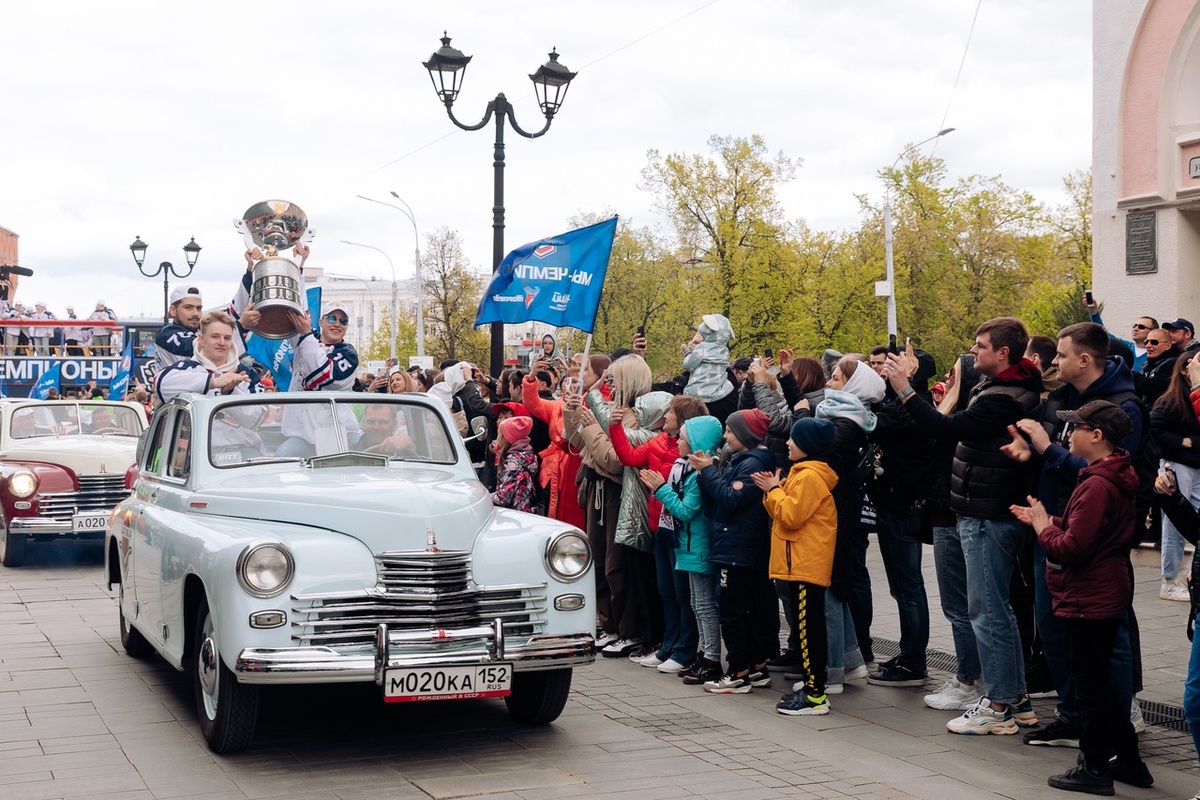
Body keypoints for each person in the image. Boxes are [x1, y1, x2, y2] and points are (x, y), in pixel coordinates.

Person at [882, 317, 1042, 735]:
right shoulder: (995, 389)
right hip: (977, 510)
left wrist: (904, 387)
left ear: (1003, 352)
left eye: (980, 345)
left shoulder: (1005, 397)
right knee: (987, 609)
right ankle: (1016, 699)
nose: (973, 352)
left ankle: (1000, 703)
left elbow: (945, 428)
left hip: (988, 514)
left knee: (988, 611)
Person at [1003, 322, 1147, 748]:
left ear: (1084, 359)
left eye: (1061, 355)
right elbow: (1057, 458)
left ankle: (1115, 728)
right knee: (1053, 628)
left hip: (1094, 544)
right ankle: (1073, 714)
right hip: (1051, 528)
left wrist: (1049, 450)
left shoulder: (1124, 407)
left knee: (1107, 639)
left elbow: (1108, 474)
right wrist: (1030, 454)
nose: (1052, 362)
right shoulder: (1062, 399)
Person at [1011, 400, 1153, 795]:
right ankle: (1129, 763)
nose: (1067, 435)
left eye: (1075, 428)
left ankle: (1095, 768)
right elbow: (1088, 530)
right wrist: (1048, 519)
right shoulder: (1111, 474)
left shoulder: (1096, 484)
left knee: (1091, 686)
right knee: (1102, 683)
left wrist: (1043, 529)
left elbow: (1073, 547)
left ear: (1096, 436)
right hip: (1104, 590)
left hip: (1090, 595)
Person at [613, 394, 708, 673]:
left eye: (671, 413)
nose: (664, 417)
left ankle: (684, 649)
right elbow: (629, 457)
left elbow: (684, 502)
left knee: (682, 594)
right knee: (666, 591)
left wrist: (661, 486)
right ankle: (668, 645)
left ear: (683, 423)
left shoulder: (690, 457)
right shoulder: (658, 441)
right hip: (661, 529)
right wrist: (615, 428)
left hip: (680, 532)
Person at [751, 416, 839, 716]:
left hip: (804, 563)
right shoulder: (802, 474)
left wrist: (774, 491)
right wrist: (773, 490)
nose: (787, 443)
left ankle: (815, 695)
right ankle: (812, 686)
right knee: (805, 630)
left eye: (793, 439)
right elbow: (784, 512)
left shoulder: (810, 477)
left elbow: (790, 516)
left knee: (808, 630)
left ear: (808, 445)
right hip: (798, 562)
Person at [693, 408, 778, 694]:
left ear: (744, 434)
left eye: (730, 431)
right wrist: (707, 474)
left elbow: (730, 498)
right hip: (739, 544)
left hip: (738, 547)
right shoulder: (744, 460)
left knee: (731, 610)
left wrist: (707, 472)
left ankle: (738, 672)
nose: (726, 437)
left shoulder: (753, 463)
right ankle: (756, 667)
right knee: (749, 608)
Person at [647, 414, 724, 685]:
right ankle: (704, 655)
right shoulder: (687, 469)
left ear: (696, 443)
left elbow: (687, 511)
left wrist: (661, 489)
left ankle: (711, 658)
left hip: (698, 547)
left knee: (703, 606)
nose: (677, 441)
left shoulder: (697, 476)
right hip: (689, 546)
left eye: (682, 437)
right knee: (696, 603)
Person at [269, 302, 359, 457]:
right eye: (332, 318)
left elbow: (321, 375)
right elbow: (289, 313)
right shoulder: (305, 340)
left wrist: (306, 335)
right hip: (302, 435)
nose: (337, 324)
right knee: (281, 459)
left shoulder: (348, 353)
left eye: (343, 321)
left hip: (340, 433)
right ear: (320, 321)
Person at [1151, 354, 1200, 602]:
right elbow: (1155, 427)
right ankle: (1169, 581)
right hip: (1177, 466)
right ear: (1185, 368)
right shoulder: (1172, 399)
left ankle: (1191, 575)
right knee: (1173, 524)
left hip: (1195, 466)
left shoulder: (1193, 396)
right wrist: (1182, 442)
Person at [156, 311, 262, 402]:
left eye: (227, 338)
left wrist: (230, 391)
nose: (222, 343)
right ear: (201, 340)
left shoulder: (247, 374)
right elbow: (161, 383)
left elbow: (259, 418)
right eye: (215, 336)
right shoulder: (186, 368)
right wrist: (213, 382)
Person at [682, 314, 736, 425]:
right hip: (716, 394)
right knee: (729, 385)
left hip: (696, 394)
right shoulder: (724, 351)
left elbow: (688, 366)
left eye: (696, 343)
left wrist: (688, 355)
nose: (694, 344)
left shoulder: (702, 349)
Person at [492, 415, 540, 513]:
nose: (497, 438)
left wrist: (485, 496)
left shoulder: (512, 463)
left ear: (506, 438)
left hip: (513, 515)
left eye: (499, 434)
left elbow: (504, 498)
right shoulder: (526, 456)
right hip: (527, 512)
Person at [156, 285, 204, 371]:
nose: (195, 313)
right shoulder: (166, 333)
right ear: (173, 310)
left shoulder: (202, 331)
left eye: (199, 308)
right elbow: (188, 345)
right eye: (188, 307)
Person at [1139, 328, 1179, 407]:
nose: (1148, 346)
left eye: (1154, 342)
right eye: (1146, 342)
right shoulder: (1149, 364)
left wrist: (1131, 375)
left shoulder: (1173, 364)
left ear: (1167, 346)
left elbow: (1155, 388)